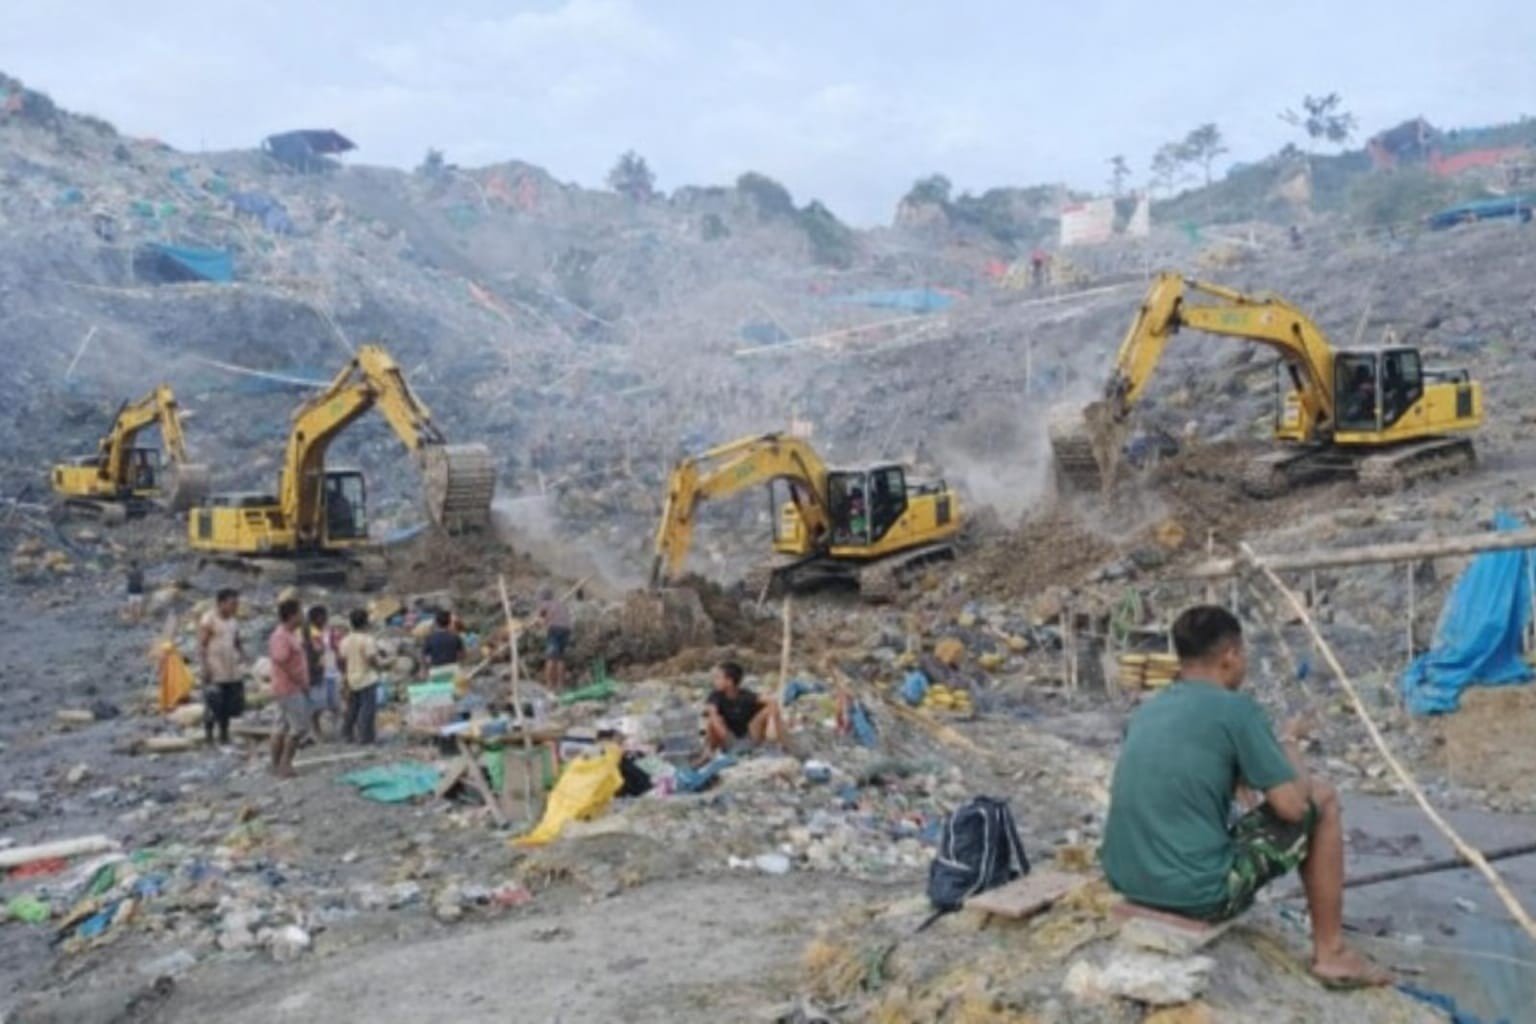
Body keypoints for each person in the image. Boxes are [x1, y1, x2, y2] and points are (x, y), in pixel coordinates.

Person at [1099, 606, 1390, 989]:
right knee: (1324, 798)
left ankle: (1329, 949)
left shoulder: (1149, 710)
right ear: (1231, 656)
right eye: (1244, 654)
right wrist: (1289, 740)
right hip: (1198, 893)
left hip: (1126, 878)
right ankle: (1331, 952)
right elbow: (1292, 807)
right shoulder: (1236, 710)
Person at [268, 598, 312, 779]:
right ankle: (284, 765)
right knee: (298, 727)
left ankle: (276, 765)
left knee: (281, 726)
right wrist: (300, 682)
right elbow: (282, 660)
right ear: (292, 615)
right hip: (289, 688)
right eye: (300, 613)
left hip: (286, 687)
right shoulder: (281, 636)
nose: (302, 617)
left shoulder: (290, 634)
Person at [197, 588, 246, 745]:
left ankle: (224, 734)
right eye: (232, 604)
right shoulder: (209, 619)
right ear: (221, 603)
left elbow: (236, 640)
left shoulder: (233, 621)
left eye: (236, 604)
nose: (235, 607)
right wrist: (205, 667)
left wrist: (243, 655)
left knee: (228, 703)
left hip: (230, 667)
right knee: (213, 702)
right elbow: (202, 645)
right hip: (214, 667)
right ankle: (209, 736)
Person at [703, 661, 784, 753]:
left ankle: (774, 744)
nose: (715, 681)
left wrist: (771, 722)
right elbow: (712, 711)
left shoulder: (746, 696)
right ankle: (711, 751)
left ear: (729, 682)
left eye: (718, 678)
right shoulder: (716, 695)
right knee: (712, 719)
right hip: (728, 737)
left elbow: (771, 701)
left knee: (769, 709)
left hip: (749, 735)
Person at [339, 608, 384, 744]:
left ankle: (347, 734)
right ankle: (366, 737)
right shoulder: (367, 640)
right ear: (366, 623)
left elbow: (342, 659)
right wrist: (380, 666)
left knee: (353, 708)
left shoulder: (345, 640)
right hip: (367, 677)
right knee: (367, 709)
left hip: (352, 678)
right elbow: (371, 658)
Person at [304, 605, 342, 737]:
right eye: (323, 617)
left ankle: (333, 729)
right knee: (317, 704)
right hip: (316, 672)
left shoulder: (328, 631)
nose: (325, 619)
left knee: (334, 702)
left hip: (331, 669)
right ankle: (316, 730)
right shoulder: (308, 633)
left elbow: (334, 647)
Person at [537, 586, 572, 690]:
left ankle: (549, 685)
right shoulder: (560, 604)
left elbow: (541, 620)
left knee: (551, 658)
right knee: (560, 658)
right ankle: (561, 685)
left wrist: (539, 623)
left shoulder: (544, 604)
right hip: (567, 630)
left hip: (555, 630)